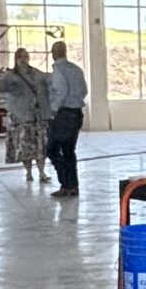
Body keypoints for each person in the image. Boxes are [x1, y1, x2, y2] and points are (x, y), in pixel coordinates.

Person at [0, 46, 51, 186]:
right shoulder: (11, 76)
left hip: (37, 116)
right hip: (21, 117)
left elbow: (47, 81)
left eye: (25, 56)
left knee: (40, 145)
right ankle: (28, 172)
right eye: (20, 57)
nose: (23, 59)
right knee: (24, 146)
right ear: (16, 59)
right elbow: (0, 85)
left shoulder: (36, 74)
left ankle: (41, 172)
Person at [45, 38, 87, 196]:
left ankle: (66, 184)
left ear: (53, 54)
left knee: (52, 149)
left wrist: (53, 109)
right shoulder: (76, 69)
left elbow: (61, 91)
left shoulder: (58, 70)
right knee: (69, 151)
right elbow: (84, 90)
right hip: (76, 114)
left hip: (64, 114)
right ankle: (73, 186)